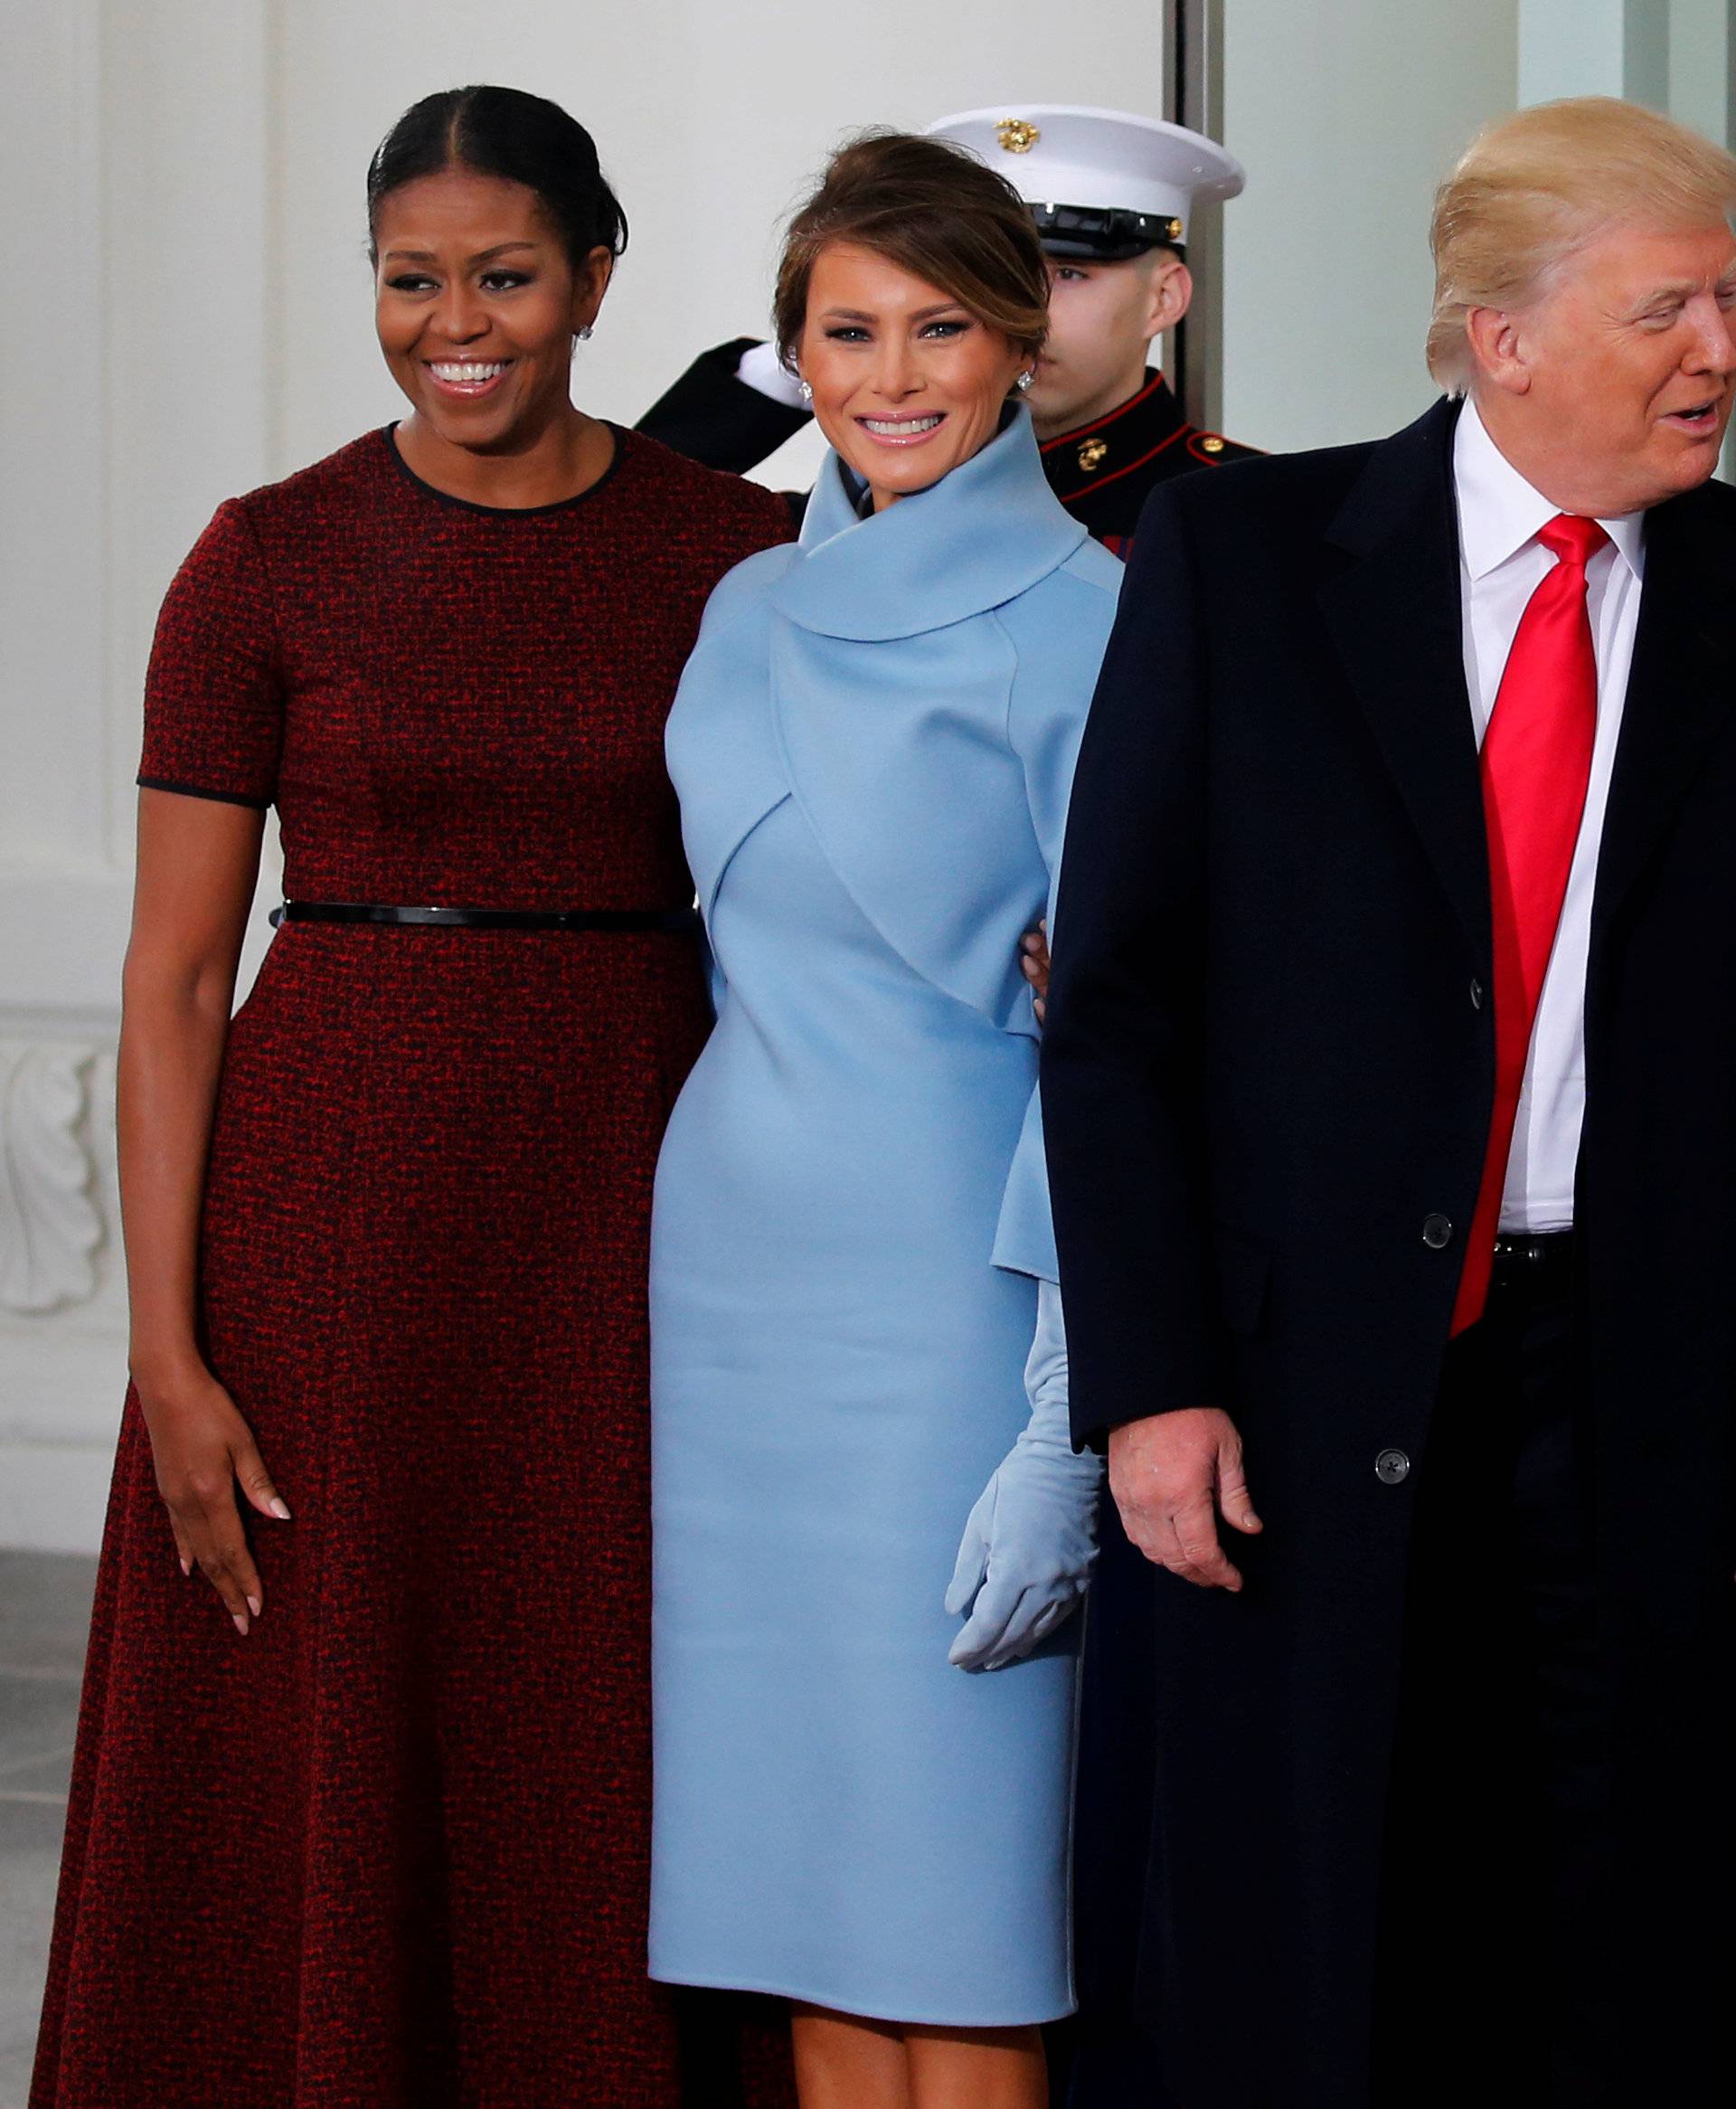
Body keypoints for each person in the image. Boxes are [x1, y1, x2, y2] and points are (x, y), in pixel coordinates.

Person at [31, 86, 797, 2109]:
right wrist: (170, 1357)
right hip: (326, 1227)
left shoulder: (744, 553)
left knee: (595, 1705)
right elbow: (179, 978)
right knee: (315, 1702)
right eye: (412, 279)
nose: (457, 321)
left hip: (634, 1198)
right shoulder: (263, 561)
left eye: (506, 276)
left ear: (598, 280)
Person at [1043, 96, 1736, 2109]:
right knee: (1321, 1925)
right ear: (1500, 334)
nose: (1718, 351)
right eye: (1670, 306)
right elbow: (1117, 1012)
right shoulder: (1244, 554)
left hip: (1645, 1382)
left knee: (1624, 1926)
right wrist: (1149, 1379)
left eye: (1729, 304)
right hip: (1303, 1382)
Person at [647, 132, 1118, 2109]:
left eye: (943, 326)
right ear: (792, 353)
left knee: (960, 1900)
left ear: (1022, 346)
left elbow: (1123, 1043)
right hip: (736, 1285)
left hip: (955, 1297)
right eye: (848, 330)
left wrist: (1060, 1414)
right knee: (799, 1895)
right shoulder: (742, 601)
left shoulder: (1094, 614)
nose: (895, 373)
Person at [637, 107, 1258, 556]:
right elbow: (623, 522)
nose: (1025, 309)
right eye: (971, 291)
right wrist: (807, 349)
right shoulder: (854, 502)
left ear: (1165, 296)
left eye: (1068, 273)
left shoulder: (1240, 512)